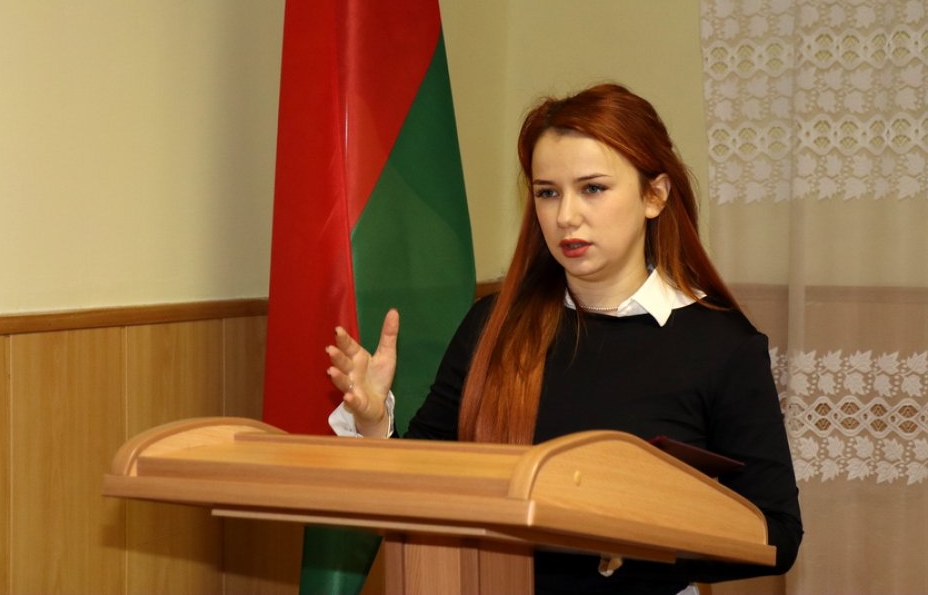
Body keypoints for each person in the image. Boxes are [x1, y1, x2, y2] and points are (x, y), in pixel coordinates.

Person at [326, 83, 802, 595]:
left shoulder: (721, 345)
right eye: (547, 192)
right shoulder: (493, 325)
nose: (565, 216)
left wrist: (645, 540)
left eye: (592, 188)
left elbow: (777, 534)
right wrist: (373, 423)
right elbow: (425, 484)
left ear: (654, 195)